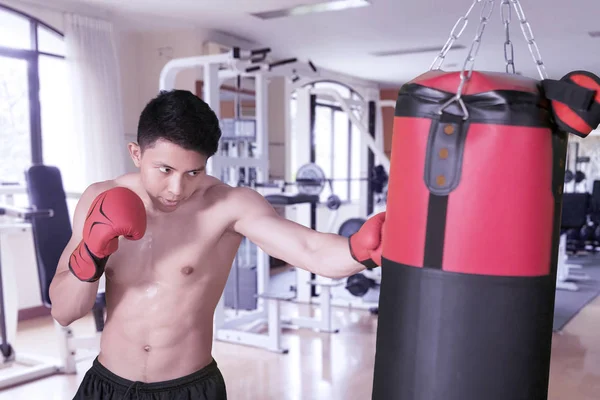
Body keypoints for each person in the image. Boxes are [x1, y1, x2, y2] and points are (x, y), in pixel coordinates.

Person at [50, 89, 386, 400]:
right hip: (107, 385)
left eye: (193, 172)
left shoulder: (228, 205)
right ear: (136, 153)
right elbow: (65, 311)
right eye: (164, 169)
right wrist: (91, 254)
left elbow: (309, 249)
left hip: (188, 388)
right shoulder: (99, 198)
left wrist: (360, 250)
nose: (177, 188)